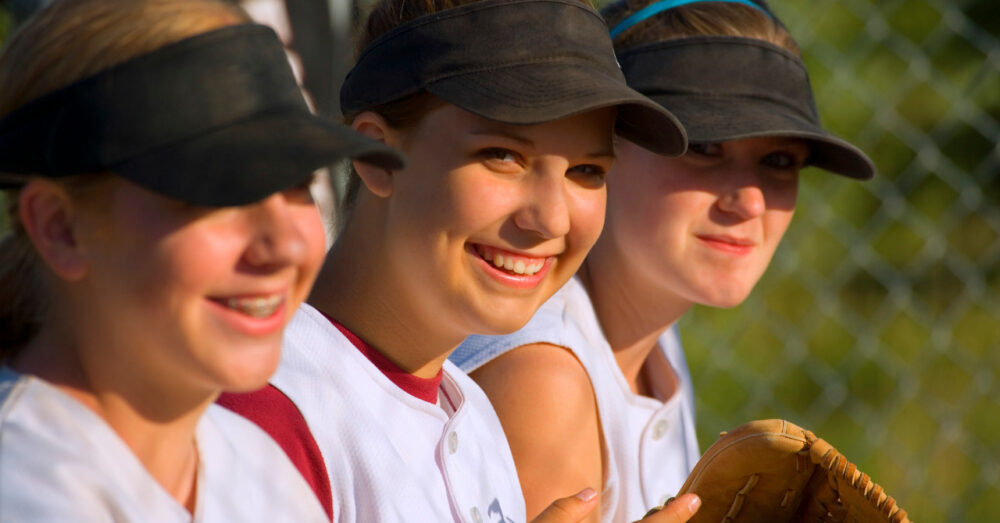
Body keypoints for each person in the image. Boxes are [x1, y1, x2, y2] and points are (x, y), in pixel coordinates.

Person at [219, 0, 703, 521]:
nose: (553, 220)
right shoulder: (266, 411)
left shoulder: (471, 418)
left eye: (587, 170)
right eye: (503, 155)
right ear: (375, 154)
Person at [450, 0, 877, 521]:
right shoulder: (545, 379)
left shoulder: (652, 338)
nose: (750, 203)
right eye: (703, 146)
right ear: (602, 142)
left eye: (779, 161)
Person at [0, 0, 402, 519]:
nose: (284, 245)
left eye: (298, 183)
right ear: (60, 228)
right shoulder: (26, 491)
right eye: (220, 192)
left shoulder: (258, 469)